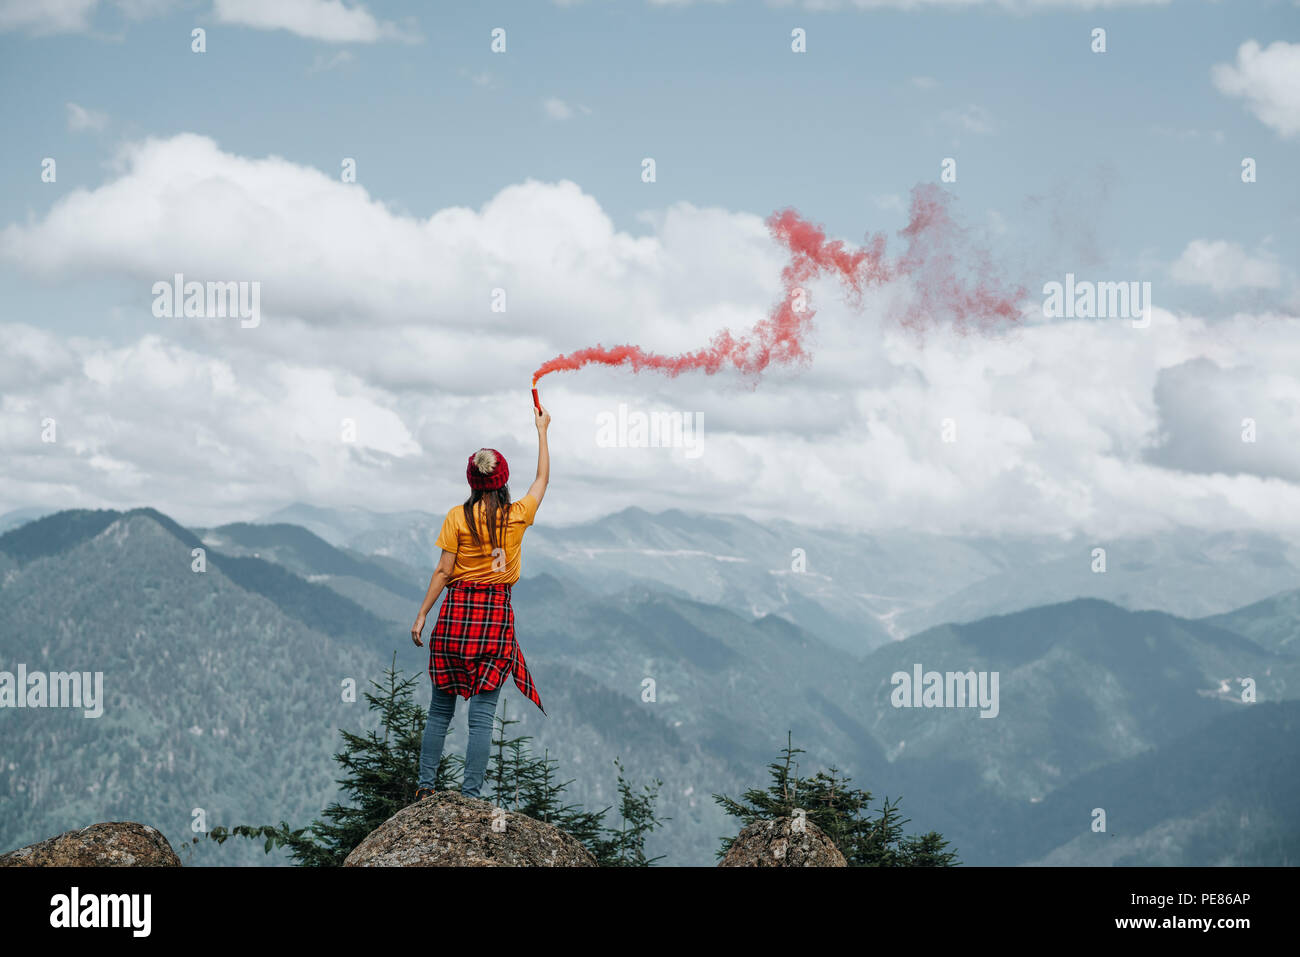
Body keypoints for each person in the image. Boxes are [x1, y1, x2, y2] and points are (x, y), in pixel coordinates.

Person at [410, 404, 551, 800]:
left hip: (454, 617)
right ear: (504, 481)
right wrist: (542, 430)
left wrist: (422, 615)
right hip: (493, 620)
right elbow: (542, 479)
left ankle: (425, 788)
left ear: (471, 481)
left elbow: (442, 571)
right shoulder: (518, 515)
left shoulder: (457, 516)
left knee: (440, 711)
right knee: (482, 718)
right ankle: (470, 796)